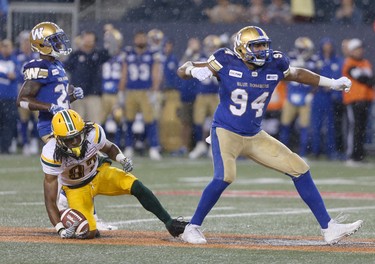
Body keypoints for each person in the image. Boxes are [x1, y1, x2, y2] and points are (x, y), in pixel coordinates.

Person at [177, 26, 363, 245]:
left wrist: (331, 83)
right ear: (242, 48)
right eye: (256, 46)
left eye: (264, 45)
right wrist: (192, 71)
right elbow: (184, 68)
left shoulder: (275, 62)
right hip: (226, 131)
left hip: (255, 135)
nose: (263, 50)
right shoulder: (225, 60)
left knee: (299, 168)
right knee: (225, 176)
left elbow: (297, 74)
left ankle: (329, 228)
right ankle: (192, 227)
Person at [16, 22, 112, 231]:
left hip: (65, 125)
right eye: (54, 40)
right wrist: (50, 107)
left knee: (85, 164)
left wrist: (71, 94)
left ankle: (80, 211)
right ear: (42, 44)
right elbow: (22, 100)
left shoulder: (56, 65)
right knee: (80, 166)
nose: (59, 43)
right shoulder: (39, 67)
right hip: (51, 128)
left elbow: (57, 96)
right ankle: (68, 206)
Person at [41, 109, 188, 239]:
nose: (74, 142)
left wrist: (121, 159)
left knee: (135, 185)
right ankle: (71, 217)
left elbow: (109, 148)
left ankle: (169, 222)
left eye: (77, 136)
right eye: (68, 140)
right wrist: (60, 229)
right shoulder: (51, 153)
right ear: (58, 139)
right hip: (75, 188)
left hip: (99, 173)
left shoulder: (93, 133)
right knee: (88, 232)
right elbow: (49, 200)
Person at [119, 31, 162, 160]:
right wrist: (121, 91)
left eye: (142, 38)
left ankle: (154, 147)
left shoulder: (152, 53)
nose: (140, 40)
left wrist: (154, 91)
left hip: (145, 91)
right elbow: (124, 73)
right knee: (128, 120)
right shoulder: (128, 53)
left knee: (150, 120)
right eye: (138, 38)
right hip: (130, 90)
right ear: (134, 39)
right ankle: (129, 146)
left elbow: (156, 73)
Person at [279, 37, 318, 158]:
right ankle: (282, 152)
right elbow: (282, 77)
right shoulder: (290, 58)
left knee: (304, 126)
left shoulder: (313, 60)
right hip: (291, 95)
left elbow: (317, 79)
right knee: (285, 124)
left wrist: (311, 94)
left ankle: (303, 153)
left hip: (305, 96)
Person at [64, 30, 111, 124]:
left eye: (91, 38)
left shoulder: (99, 54)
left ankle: (93, 139)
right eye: (86, 38)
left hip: (94, 94)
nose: (88, 41)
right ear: (82, 39)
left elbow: (111, 52)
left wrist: (109, 37)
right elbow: (66, 67)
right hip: (77, 94)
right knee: (77, 123)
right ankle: (79, 139)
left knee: (94, 123)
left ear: (95, 41)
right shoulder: (75, 55)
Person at [342, 38, 374, 165]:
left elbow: (369, 78)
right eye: (357, 49)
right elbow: (363, 79)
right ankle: (351, 155)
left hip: (366, 99)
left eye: (361, 49)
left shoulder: (366, 63)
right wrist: (370, 80)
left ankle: (359, 155)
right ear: (352, 51)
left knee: (362, 128)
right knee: (354, 127)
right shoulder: (349, 63)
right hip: (354, 100)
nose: (360, 51)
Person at [0, 39, 18, 154]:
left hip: (10, 97)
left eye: (8, 46)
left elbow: (18, 74)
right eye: (4, 46)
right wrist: (6, 74)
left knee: (9, 123)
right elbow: (10, 75)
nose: (6, 49)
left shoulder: (15, 60)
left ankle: (5, 147)